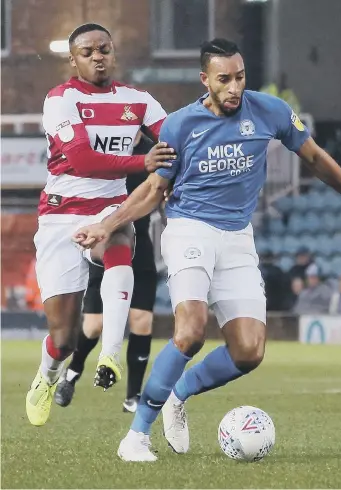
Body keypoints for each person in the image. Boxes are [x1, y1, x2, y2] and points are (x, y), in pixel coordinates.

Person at [73, 38, 341, 461]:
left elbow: (312, 156)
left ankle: (177, 395)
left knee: (249, 351)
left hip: (238, 236)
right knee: (190, 332)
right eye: (224, 79)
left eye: (239, 77)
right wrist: (107, 224)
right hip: (189, 231)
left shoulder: (270, 111)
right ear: (206, 80)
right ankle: (136, 437)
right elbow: (153, 190)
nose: (234, 87)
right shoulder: (180, 125)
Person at [25, 23, 174, 427]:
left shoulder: (138, 100)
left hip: (109, 208)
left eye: (104, 49)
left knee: (121, 236)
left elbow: (175, 141)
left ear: (113, 52)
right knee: (64, 339)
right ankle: (47, 376)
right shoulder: (60, 100)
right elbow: (84, 161)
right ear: (73, 60)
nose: (97, 56)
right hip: (60, 216)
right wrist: (142, 163)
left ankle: (110, 352)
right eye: (87, 51)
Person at [54, 133, 158, 413]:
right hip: (104, 241)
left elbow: (160, 190)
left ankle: (133, 397)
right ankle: (72, 373)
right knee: (93, 326)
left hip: (141, 243)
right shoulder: (103, 147)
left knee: (141, 320)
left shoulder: (154, 152)